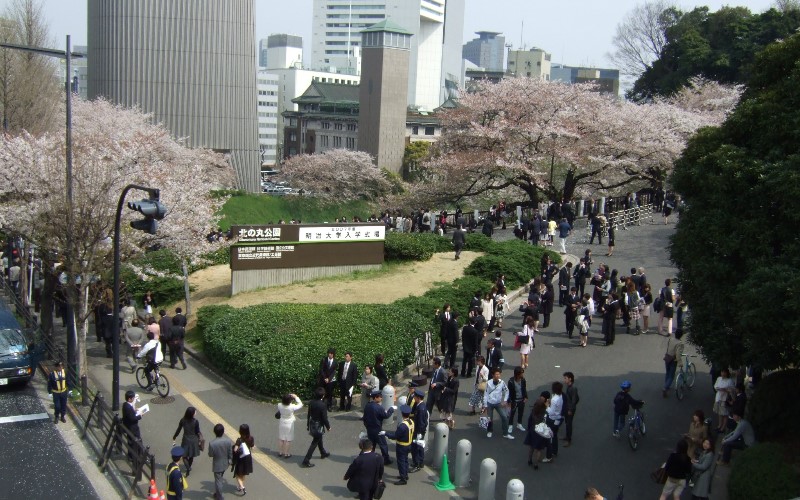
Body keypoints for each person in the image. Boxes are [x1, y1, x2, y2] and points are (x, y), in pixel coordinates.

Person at [362, 389, 394, 465]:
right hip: (378, 429)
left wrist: (367, 427)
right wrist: (391, 410)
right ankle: (386, 459)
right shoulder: (378, 407)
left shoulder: (367, 406)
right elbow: (386, 415)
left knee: (371, 445)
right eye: (380, 397)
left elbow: (364, 418)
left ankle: (369, 459)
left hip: (370, 429)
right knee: (383, 445)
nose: (381, 398)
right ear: (375, 398)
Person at [302, 387, 332, 468]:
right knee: (315, 442)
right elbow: (324, 418)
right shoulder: (322, 405)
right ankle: (306, 459)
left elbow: (309, 414)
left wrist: (308, 425)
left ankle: (323, 452)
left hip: (312, 423)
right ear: (323, 396)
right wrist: (328, 427)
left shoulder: (311, 402)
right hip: (319, 425)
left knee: (319, 438)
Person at [482, 368, 512, 439]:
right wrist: (485, 405)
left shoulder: (502, 382)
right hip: (490, 403)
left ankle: (505, 433)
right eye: (496, 374)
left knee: (504, 417)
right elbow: (485, 394)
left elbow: (507, 391)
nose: (498, 375)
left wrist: (505, 400)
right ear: (493, 375)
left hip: (498, 403)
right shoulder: (488, 383)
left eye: (499, 374)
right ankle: (489, 431)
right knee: (489, 419)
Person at [172, 407, 202, 476]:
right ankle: (189, 467)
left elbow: (178, 430)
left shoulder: (183, 420)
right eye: (195, 412)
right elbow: (197, 431)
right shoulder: (195, 421)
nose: (195, 413)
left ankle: (188, 468)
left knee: (184, 456)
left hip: (185, 439)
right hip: (194, 440)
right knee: (191, 455)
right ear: (192, 414)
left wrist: (174, 437)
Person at [208, 423, 233, 500]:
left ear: (214, 432)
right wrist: (230, 460)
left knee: (218, 481)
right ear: (223, 431)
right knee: (220, 478)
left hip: (217, 465)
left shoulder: (212, 444)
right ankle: (218, 493)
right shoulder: (228, 441)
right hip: (225, 463)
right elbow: (230, 452)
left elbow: (210, 455)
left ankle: (219, 497)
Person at [523, 400, 550, 470]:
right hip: (540, 432)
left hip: (533, 430)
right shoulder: (545, 413)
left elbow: (529, 421)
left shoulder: (533, 412)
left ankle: (529, 460)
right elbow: (548, 422)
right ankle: (536, 464)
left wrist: (528, 429)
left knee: (531, 447)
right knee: (538, 449)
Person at [276, 393, 303, 458]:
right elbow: (300, 404)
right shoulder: (292, 407)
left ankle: (280, 452)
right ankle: (286, 453)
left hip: (282, 422)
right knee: (288, 439)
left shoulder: (279, 405)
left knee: (281, 438)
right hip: (289, 423)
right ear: (290, 401)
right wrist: (296, 397)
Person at [409, 389, 428, 472]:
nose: (414, 399)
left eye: (415, 397)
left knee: (415, 448)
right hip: (419, 431)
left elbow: (421, 421)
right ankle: (421, 462)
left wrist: (419, 433)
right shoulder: (421, 405)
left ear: (418, 398)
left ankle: (417, 464)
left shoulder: (420, 408)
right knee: (420, 447)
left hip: (418, 431)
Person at [662, 329, 686, 398]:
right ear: (681, 335)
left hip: (667, 357)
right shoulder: (680, 343)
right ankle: (665, 388)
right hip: (673, 360)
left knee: (667, 372)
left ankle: (666, 385)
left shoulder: (671, 339)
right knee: (671, 376)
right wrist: (680, 363)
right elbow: (678, 354)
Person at [232, 424, 254, 494]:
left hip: (241, 458)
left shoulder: (239, 440)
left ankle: (242, 487)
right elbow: (252, 446)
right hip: (248, 457)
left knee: (237, 474)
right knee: (243, 473)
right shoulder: (251, 438)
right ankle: (240, 486)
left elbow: (235, 450)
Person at [122, 390, 143, 459]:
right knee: (138, 441)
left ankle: (130, 455)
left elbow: (130, 414)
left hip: (128, 427)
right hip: (133, 428)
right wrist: (140, 416)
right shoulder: (128, 407)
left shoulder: (125, 405)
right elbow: (133, 418)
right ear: (129, 399)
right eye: (133, 398)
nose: (134, 399)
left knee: (130, 442)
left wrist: (134, 410)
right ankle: (140, 456)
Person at [545, 381, 564, 459]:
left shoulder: (554, 399)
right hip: (558, 418)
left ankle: (549, 454)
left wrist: (547, 406)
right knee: (555, 435)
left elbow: (551, 412)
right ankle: (554, 451)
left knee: (550, 436)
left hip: (553, 419)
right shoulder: (561, 396)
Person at [507, 367, 527, 434]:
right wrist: (509, 401)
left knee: (520, 413)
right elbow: (509, 392)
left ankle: (519, 424)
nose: (522, 374)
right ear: (517, 374)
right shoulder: (511, 381)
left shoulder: (523, 380)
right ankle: (510, 425)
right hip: (514, 400)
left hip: (521, 399)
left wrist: (526, 397)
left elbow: (524, 389)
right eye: (521, 373)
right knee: (512, 413)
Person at [562, 372, 579, 447]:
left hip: (570, 409)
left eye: (565, 378)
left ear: (570, 379)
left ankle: (569, 439)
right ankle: (566, 436)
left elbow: (574, 400)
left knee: (569, 424)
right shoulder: (569, 387)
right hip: (567, 408)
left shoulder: (573, 388)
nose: (564, 380)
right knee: (567, 422)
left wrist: (570, 410)